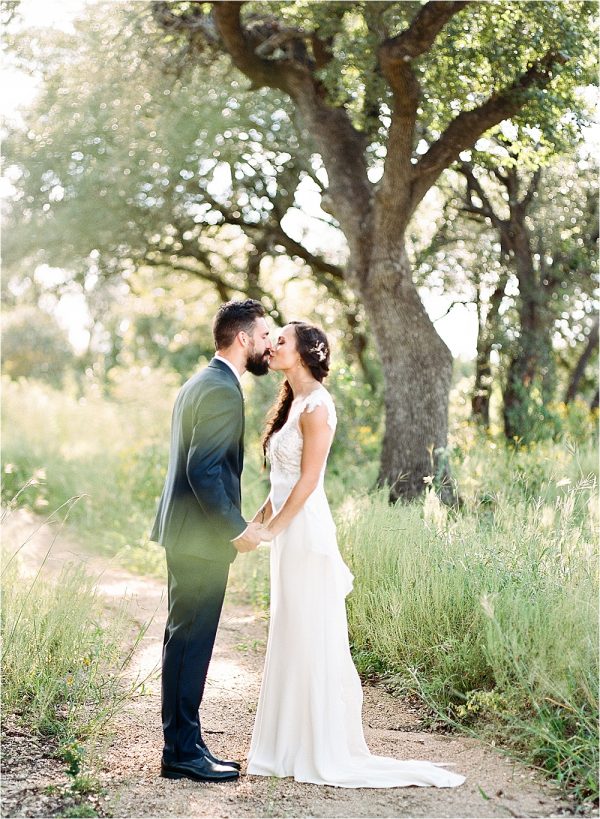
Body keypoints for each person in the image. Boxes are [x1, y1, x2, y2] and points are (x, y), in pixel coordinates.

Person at [246, 321, 466, 789]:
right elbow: (280, 483)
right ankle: (285, 745)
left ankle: (315, 746)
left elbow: (308, 482)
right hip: (287, 532)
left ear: (304, 353)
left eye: (281, 340)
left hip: (305, 534)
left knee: (309, 630)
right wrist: (259, 521)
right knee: (290, 630)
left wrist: (274, 530)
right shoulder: (291, 404)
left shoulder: (318, 406)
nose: (272, 346)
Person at [150, 299, 273, 783]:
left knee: (184, 639)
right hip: (201, 537)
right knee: (191, 641)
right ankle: (181, 752)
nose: (268, 344)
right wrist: (237, 529)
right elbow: (202, 470)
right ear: (242, 339)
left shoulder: (200, 381)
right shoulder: (223, 390)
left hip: (184, 531)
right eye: (264, 335)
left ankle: (185, 742)